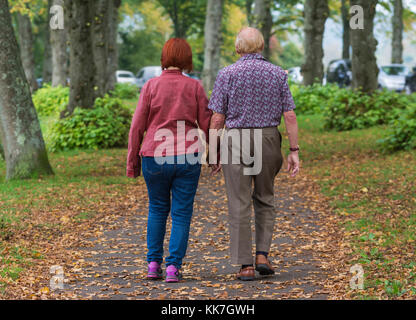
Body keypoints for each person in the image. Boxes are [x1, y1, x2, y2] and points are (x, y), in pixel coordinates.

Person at [208, 27, 300, 281]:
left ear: (238, 48)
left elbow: (217, 118)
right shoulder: (277, 74)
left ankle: (245, 264)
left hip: (236, 139)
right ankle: (262, 255)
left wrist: (213, 150)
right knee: (265, 197)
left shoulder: (227, 74)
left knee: (239, 202)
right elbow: (289, 115)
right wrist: (294, 150)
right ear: (261, 47)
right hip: (268, 137)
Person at [126, 38, 212, 283]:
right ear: (187, 59)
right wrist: (215, 156)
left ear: (164, 58)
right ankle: (173, 268)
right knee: (181, 214)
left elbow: (136, 127)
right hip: (187, 156)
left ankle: (153, 264)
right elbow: (207, 124)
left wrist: (132, 162)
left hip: (154, 155)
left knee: (157, 209)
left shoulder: (150, 86)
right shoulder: (194, 87)